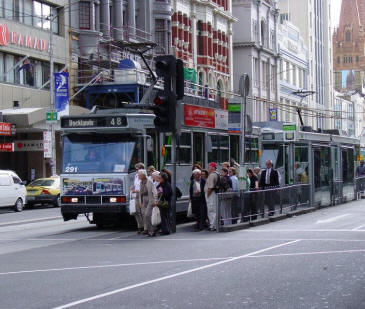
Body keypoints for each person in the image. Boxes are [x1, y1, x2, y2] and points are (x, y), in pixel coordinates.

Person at [139, 169, 158, 237]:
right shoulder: (141, 182)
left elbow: (154, 190)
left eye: (139, 175)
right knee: (144, 215)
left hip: (150, 199)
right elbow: (140, 193)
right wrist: (140, 202)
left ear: (143, 175)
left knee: (147, 215)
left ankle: (152, 230)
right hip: (144, 199)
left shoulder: (149, 181)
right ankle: (150, 230)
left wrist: (155, 200)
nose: (138, 176)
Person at [130, 162, 145, 234]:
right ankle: (140, 226)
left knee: (142, 212)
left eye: (137, 169)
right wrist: (133, 187)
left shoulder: (144, 176)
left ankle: (144, 227)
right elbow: (135, 184)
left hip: (141, 194)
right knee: (136, 211)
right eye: (136, 169)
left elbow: (144, 188)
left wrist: (136, 190)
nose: (136, 171)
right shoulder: (136, 176)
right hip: (136, 195)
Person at [205, 162, 219, 231]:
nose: (208, 169)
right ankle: (214, 225)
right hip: (214, 194)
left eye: (209, 167)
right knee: (214, 209)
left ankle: (212, 225)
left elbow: (210, 187)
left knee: (211, 209)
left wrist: (207, 195)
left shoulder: (212, 175)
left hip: (211, 194)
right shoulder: (217, 173)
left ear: (212, 168)